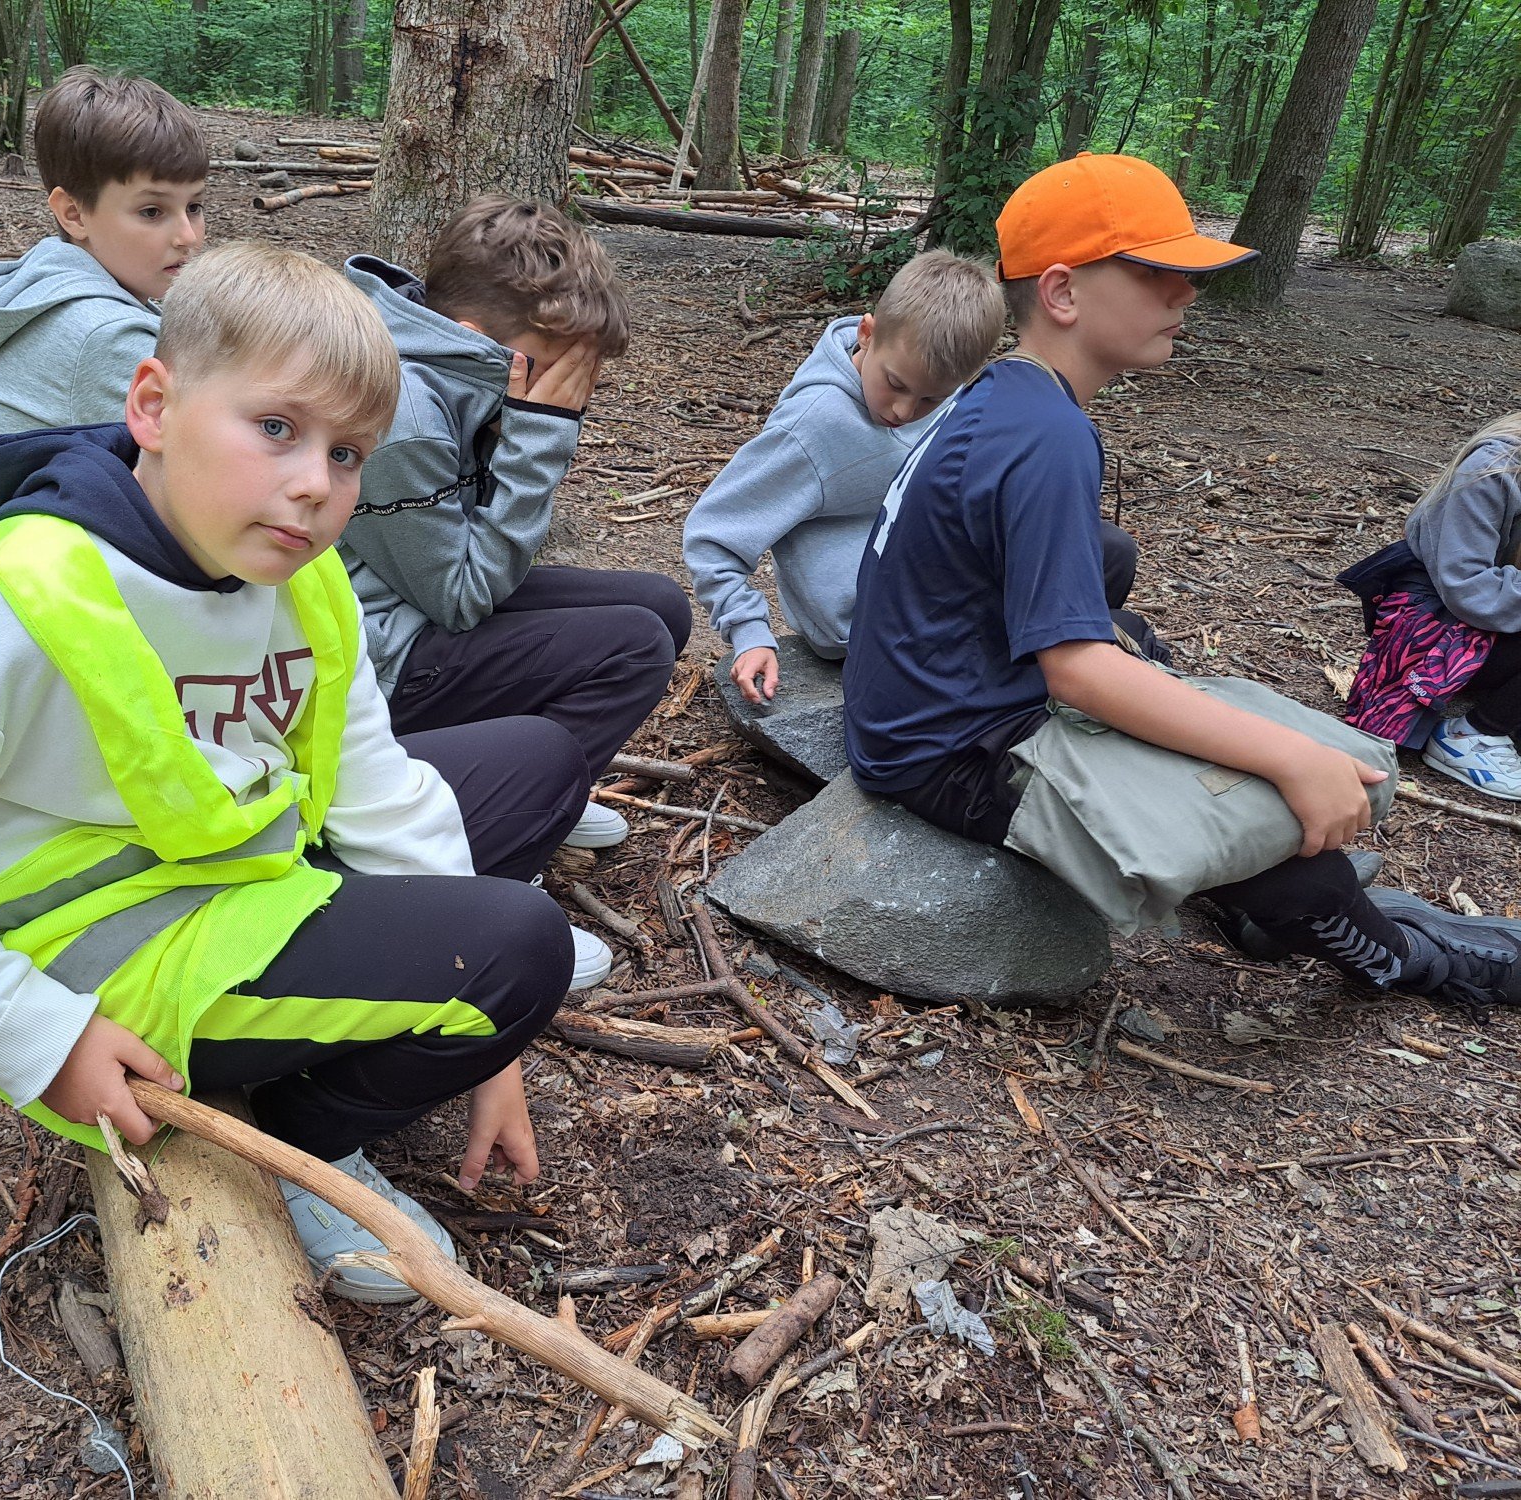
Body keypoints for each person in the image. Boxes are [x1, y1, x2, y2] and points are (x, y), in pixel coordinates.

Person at [0, 244, 594, 1304]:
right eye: (276, 428)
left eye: (346, 454)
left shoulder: (296, 576)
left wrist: (489, 1046)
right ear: (152, 405)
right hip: (102, 961)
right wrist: (33, 1035)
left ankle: (396, 999)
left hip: (241, 877)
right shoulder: (5, 608)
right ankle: (300, 1144)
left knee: (538, 762)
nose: (313, 484)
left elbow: (374, 781)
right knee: (521, 945)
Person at [838, 152, 1521, 1011]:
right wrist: (1291, 759)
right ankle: (1411, 961)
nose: (1186, 294)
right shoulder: (1043, 434)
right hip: (949, 754)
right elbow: (1078, 672)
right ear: (1062, 292)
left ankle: (1261, 893)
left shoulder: (1008, 397)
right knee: (1292, 834)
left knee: (1268, 756)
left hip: (936, 708)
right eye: (1158, 274)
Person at [341, 196, 693, 849]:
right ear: (477, 339)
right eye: (557, 365)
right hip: (377, 658)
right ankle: (494, 826)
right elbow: (462, 599)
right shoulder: (405, 418)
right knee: (636, 647)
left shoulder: (450, 364)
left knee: (661, 605)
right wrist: (539, 437)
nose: (573, 386)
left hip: (423, 597)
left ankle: (530, 786)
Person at [682, 251, 1006, 704]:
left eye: (930, 399)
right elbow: (713, 533)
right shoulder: (815, 427)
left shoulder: (940, 389)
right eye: (896, 385)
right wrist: (748, 631)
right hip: (866, 624)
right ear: (866, 335)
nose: (903, 411)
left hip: (932, 593)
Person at [0, 66, 209, 552]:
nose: (188, 236)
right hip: (12, 579)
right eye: (152, 211)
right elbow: (209, 475)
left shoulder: (42, 280)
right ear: (74, 214)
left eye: (194, 207)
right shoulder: (102, 335)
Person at [1342, 413, 1521, 801]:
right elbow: (1470, 590)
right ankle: (1472, 735)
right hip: (1435, 635)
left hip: (1492, 627)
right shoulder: (1495, 469)